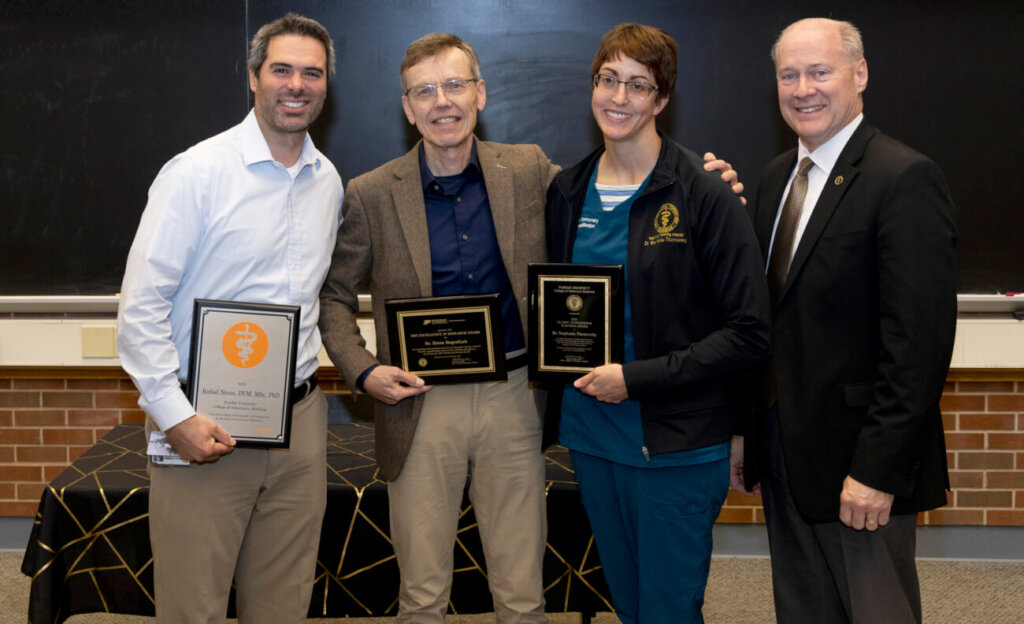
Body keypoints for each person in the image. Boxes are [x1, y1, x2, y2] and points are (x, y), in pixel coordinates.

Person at [116, 13, 342, 623]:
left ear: (326, 86)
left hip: (299, 422)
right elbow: (140, 309)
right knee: (194, 607)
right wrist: (174, 416)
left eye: (312, 73)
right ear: (253, 78)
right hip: (203, 428)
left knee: (284, 604)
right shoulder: (196, 174)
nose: (297, 85)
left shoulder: (329, 183)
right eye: (282, 70)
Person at [544, 23, 771, 624]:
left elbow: (749, 331)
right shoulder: (567, 191)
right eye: (607, 79)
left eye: (637, 85)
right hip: (592, 437)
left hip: (677, 444)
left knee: (668, 610)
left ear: (662, 99)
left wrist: (636, 379)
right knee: (627, 603)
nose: (618, 97)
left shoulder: (703, 193)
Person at [732, 17, 957, 624]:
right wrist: (748, 434)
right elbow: (769, 324)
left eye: (819, 71)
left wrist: (875, 471)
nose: (802, 87)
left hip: (861, 467)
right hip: (785, 455)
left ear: (859, 75)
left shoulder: (904, 178)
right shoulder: (779, 176)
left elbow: (919, 346)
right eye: (788, 74)